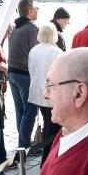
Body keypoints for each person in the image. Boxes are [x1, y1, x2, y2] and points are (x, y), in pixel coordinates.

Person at [28, 23, 63, 166]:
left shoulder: (34, 49)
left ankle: (47, 158)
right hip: (50, 92)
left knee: (48, 123)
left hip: (37, 91)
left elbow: (31, 70)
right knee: (52, 127)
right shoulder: (57, 52)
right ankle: (48, 159)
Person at [7, 0, 40, 150]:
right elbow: (36, 53)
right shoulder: (32, 28)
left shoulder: (15, 28)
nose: (38, 11)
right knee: (31, 110)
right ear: (30, 11)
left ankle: (22, 144)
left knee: (20, 110)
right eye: (37, 8)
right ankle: (24, 145)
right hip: (24, 75)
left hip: (12, 73)